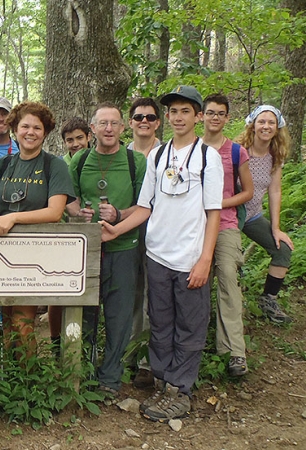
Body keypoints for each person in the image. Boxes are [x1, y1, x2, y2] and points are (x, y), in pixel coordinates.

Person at [101, 85, 223, 422]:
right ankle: (162, 381)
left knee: (189, 324)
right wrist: (116, 229)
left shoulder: (206, 157)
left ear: (198, 115)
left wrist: (205, 259)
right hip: (157, 254)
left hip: (190, 258)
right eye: (173, 111)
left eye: (186, 111)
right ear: (166, 117)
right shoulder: (157, 155)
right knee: (161, 323)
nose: (178, 117)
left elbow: (214, 212)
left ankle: (180, 390)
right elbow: (144, 207)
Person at [64, 103, 147, 397]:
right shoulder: (80, 160)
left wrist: (118, 215)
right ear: (93, 129)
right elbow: (68, 199)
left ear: (123, 128)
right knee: (86, 312)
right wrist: (79, 214)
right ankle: (84, 370)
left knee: (119, 315)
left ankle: (110, 377)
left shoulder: (136, 161)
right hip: (86, 249)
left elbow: (145, 205)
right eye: (103, 124)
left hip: (124, 247)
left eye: (114, 123)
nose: (109, 129)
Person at [0, 101, 75, 356]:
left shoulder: (54, 166)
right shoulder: (3, 165)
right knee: (2, 322)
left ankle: (27, 385)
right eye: (25, 126)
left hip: (36, 254)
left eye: (37, 127)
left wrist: (13, 219)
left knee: (23, 323)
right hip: (0, 251)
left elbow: (55, 212)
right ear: (15, 129)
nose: (30, 132)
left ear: (45, 132)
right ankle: (6, 379)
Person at [201, 94, 254, 377]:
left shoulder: (236, 151)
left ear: (227, 118)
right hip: (194, 228)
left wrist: (218, 204)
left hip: (225, 225)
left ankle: (234, 351)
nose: (215, 118)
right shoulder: (191, 150)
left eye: (221, 114)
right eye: (210, 113)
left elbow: (247, 191)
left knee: (228, 283)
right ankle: (194, 345)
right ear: (202, 116)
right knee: (195, 286)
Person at [236, 105, 295, 325]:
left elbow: (275, 190)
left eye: (271, 122)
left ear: (277, 127)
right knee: (228, 259)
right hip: (231, 216)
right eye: (262, 121)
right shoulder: (239, 150)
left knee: (283, 249)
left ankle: (268, 299)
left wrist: (276, 228)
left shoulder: (275, 156)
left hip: (252, 217)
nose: (266, 126)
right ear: (252, 124)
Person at [126, 97, 164, 389]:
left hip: (160, 234)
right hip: (127, 233)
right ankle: (128, 351)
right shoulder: (122, 154)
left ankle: (148, 362)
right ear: (131, 122)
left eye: (150, 117)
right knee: (131, 294)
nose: (144, 122)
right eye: (139, 117)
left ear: (158, 122)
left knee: (155, 296)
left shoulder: (168, 154)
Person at [48, 116, 93, 346]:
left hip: (92, 236)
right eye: (69, 140)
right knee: (57, 294)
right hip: (62, 235)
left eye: (79, 138)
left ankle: (81, 341)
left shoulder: (96, 161)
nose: (75, 144)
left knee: (85, 291)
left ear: (89, 137)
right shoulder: (59, 164)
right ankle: (56, 341)